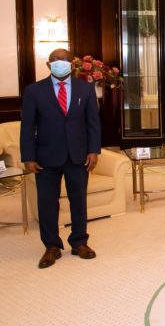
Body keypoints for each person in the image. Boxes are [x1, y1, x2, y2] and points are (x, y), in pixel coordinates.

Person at [21, 48, 101, 269]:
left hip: (78, 155)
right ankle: (51, 246)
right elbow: (28, 127)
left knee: (79, 200)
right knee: (47, 203)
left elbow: (93, 123)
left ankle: (79, 242)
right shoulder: (34, 91)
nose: (59, 63)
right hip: (45, 157)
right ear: (48, 65)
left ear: (71, 64)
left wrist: (94, 150)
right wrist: (28, 156)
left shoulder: (85, 89)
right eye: (55, 60)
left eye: (64, 60)